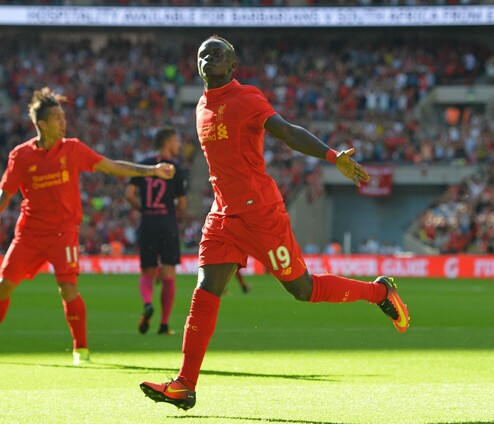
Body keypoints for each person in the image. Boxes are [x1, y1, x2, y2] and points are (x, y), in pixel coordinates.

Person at [140, 36, 409, 411]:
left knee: (303, 289)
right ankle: (185, 384)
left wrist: (332, 156)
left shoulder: (247, 97)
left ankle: (379, 293)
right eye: (203, 54)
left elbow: (286, 131)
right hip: (222, 215)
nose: (209, 58)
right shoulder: (201, 105)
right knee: (205, 289)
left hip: (260, 213)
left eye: (218, 54)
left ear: (232, 65)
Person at [0, 87, 175, 365]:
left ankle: (80, 348)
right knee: (4, 286)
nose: (63, 122)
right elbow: (5, 195)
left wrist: (151, 171)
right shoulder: (20, 156)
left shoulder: (72, 149)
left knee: (67, 289)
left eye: (63, 116)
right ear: (42, 124)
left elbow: (111, 166)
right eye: (57, 118)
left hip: (64, 233)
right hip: (29, 233)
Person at [126, 128, 188, 336]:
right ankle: (164, 324)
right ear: (167, 142)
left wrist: (143, 209)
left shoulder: (143, 164)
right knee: (168, 274)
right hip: (167, 223)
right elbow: (182, 205)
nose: (178, 145)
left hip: (148, 223)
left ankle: (147, 303)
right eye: (176, 141)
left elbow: (129, 194)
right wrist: (172, 210)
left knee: (148, 271)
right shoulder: (176, 169)